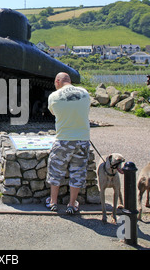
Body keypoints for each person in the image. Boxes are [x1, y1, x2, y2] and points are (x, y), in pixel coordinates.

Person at [45, 72, 91, 214]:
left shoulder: (54, 96)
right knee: (77, 172)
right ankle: (72, 204)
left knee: (56, 170)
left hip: (64, 139)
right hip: (82, 139)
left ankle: (53, 202)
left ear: (57, 81)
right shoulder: (85, 93)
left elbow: (53, 113)